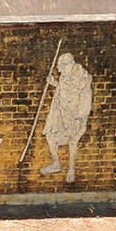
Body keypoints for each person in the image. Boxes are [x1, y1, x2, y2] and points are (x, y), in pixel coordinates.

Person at [39, 52, 92, 183]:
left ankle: (71, 170)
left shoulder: (82, 78)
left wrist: (80, 117)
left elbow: (84, 99)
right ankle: (56, 164)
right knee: (51, 137)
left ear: (68, 65)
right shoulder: (65, 76)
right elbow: (64, 91)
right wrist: (54, 83)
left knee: (72, 141)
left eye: (60, 66)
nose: (58, 69)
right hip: (61, 114)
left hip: (75, 117)